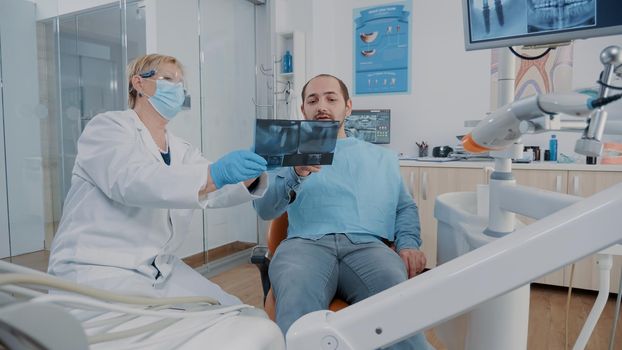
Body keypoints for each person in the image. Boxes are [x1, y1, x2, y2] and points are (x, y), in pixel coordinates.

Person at [48, 54, 268, 305]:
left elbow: (210, 190)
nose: (177, 89)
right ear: (138, 84)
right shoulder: (108, 128)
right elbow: (132, 181)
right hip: (100, 268)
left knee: (237, 312)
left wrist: (252, 172)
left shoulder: (181, 149)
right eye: (167, 79)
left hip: (157, 269)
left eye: (180, 83)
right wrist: (214, 174)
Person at [253, 74, 432, 349]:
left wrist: (408, 243)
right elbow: (265, 209)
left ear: (347, 106)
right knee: (297, 301)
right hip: (305, 245)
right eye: (312, 100)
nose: (321, 105)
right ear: (303, 111)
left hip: (368, 247)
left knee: (396, 304)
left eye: (331, 98)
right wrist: (295, 172)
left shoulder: (382, 158)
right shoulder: (287, 154)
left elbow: (404, 207)